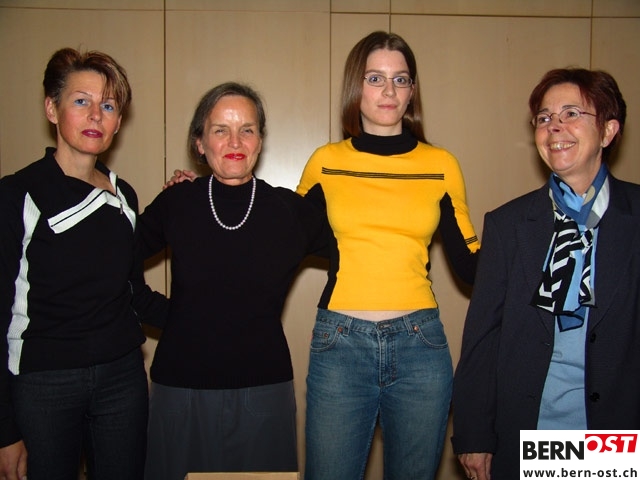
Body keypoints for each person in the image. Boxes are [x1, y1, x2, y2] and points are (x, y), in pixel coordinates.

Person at [296, 31, 480, 480]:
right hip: (340, 345)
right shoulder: (325, 162)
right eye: (375, 78)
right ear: (356, 87)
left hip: (421, 348)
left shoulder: (441, 165)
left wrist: (537, 228)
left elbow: (471, 265)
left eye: (401, 79)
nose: (389, 90)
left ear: (412, 91)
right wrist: (207, 191)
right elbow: (283, 237)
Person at [138, 82, 328, 480]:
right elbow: (112, 264)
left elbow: (358, 254)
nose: (235, 141)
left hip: (264, 394)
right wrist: (166, 314)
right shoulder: (177, 202)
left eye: (247, 129)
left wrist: (333, 324)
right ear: (200, 143)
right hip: (180, 393)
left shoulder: (289, 211)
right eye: (220, 130)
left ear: (260, 140)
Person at [451, 68, 633, 479]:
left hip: (617, 435)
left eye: (571, 113)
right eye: (545, 117)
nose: (555, 127)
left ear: (608, 130)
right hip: (530, 427)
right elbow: (482, 337)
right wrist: (474, 434)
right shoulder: (508, 225)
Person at [0, 48, 167, 480]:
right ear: (52, 109)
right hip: (44, 384)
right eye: (81, 101)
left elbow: (132, 293)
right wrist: (4, 429)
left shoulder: (123, 195)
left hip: (122, 378)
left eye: (108, 106)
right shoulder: (19, 194)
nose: (96, 115)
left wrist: (205, 317)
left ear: (118, 121)